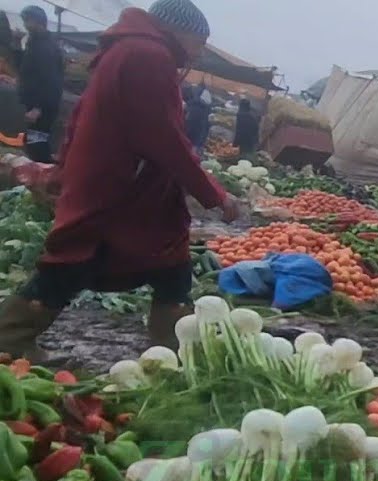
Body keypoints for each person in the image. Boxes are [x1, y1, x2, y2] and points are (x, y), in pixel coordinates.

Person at [0, 0, 237, 360]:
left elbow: (81, 114)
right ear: (178, 32)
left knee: (171, 263)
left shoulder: (126, 49)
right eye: (198, 41)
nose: (199, 51)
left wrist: (67, 166)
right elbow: (165, 138)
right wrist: (214, 195)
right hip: (121, 186)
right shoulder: (148, 57)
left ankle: (174, 350)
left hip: (122, 181)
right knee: (74, 258)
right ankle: (9, 338)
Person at [14, 6, 63, 163]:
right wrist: (16, 42)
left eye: (28, 20)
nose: (25, 24)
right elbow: (24, 68)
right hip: (37, 105)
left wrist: (38, 107)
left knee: (37, 144)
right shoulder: (34, 42)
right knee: (34, 142)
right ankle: (40, 175)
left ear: (39, 22)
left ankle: (44, 176)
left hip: (43, 108)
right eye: (24, 21)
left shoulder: (45, 46)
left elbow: (51, 80)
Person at [183, 81, 212, 152]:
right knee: (194, 147)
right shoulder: (206, 107)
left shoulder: (193, 103)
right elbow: (205, 127)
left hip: (190, 130)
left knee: (188, 144)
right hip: (197, 134)